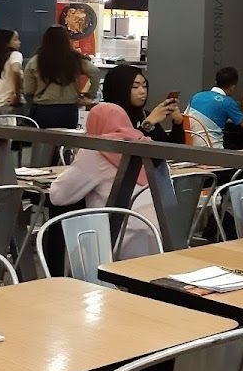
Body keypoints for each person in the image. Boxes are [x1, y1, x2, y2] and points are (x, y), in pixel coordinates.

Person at [49, 103, 161, 259]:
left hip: (116, 239)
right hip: (158, 237)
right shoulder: (146, 144)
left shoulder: (97, 150)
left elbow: (58, 196)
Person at [23, 26, 100, 130]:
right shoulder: (75, 59)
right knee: (66, 139)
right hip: (68, 110)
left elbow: (28, 89)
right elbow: (95, 72)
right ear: (66, 40)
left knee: (43, 139)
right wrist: (90, 95)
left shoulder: (35, 61)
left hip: (43, 109)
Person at [102, 64, 183, 143]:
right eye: (135, 87)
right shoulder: (107, 117)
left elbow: (169, 148)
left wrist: (177, 123)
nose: (142, 91)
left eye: (144, 86)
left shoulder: (144, 115)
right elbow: (125, 148)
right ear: (119, 89)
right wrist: (148, 124)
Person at [186, 66, 243, 148]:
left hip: (190, 147)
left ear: (215, 81)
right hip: (213, 149)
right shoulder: (228, 102)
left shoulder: (196, 96)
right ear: (232, 87)